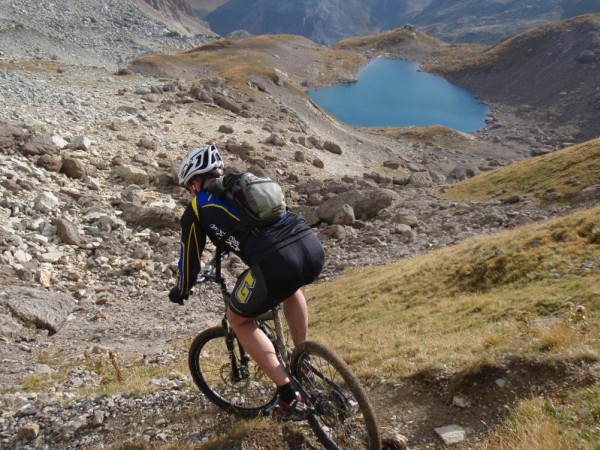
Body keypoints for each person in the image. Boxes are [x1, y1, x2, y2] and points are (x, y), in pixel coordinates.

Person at [168, 144, 325, 421]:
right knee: (290, 289)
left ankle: (288, 396)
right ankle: (303, 359)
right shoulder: (243, 184)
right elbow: (245, 227)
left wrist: (181, 290)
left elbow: (189, 257)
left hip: (276, 262)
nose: (190, 192)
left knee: (239, 320)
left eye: (189, 186)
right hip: (310, 247)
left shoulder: (197, 206)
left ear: (195, 182)